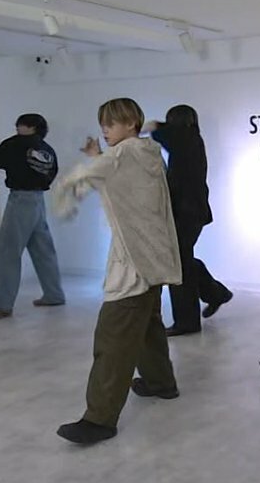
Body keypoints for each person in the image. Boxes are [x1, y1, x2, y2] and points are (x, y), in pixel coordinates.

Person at [51, 98, 181, 444]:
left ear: (131, 123)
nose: (105, 129)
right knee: (147, 324)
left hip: (133, 260)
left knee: (113, 336)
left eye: (111, 123)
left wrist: (64, 193)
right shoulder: (147, 153)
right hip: (153, 256)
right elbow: (112, 175)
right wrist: (98, 156)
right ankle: (160, 382)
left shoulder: (124, 154)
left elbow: (85, 176)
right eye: (103, 123)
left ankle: (100, 419)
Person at [144, 105, 232, 336]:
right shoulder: (191, 141)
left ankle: (188, 322)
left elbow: (164, 134)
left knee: (178, 265)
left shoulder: (187, 140)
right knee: (182, 260)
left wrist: (153, 127)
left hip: (187, 213)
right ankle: (216, 293)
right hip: (190, 212)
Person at [0, 113, 65, 320]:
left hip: (20, 200)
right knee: (43, 250)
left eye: (20, 124)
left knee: (7, 253)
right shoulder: (46, 149)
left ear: (30, 127)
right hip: (38, 200)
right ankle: (54, 294)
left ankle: (0, 305)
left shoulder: (14, 144)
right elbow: (52, 172)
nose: (17, 127)